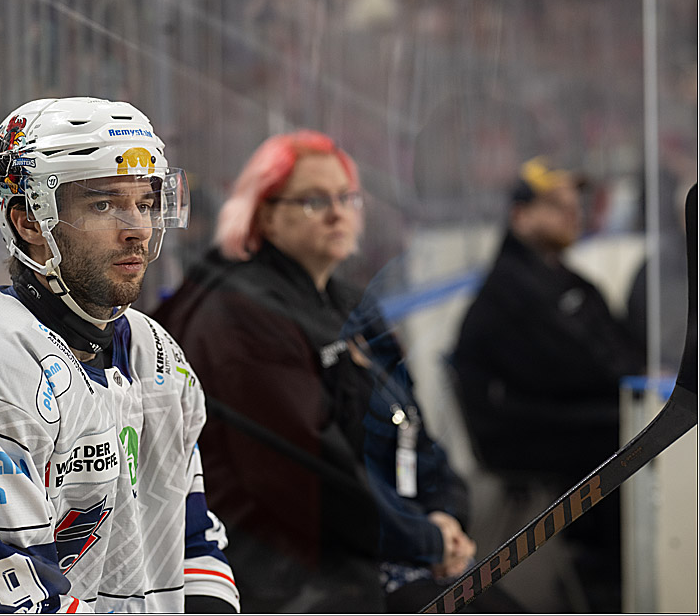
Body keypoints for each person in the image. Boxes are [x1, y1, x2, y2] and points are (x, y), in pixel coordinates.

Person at [0, 97, 239, 613]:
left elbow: (193, 542)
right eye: (103, 204)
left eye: (145, 202)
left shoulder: (154, 353)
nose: (137, 227)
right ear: (30, 221)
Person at [153, 131, 385, 612]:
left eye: (346, 197)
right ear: (266, 215)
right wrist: (417, 533)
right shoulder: (243, 313)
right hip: (292, 576)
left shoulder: (348, 299)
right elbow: (304, 480)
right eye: (313, 200)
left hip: (363, 545)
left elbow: (412, 421)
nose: (337, 213)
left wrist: (444, 508)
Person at [450, 156, 644, 612]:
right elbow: (570, 370)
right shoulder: (510, 289)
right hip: (517, 435)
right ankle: (602, 571)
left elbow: (617, 346)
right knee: (624, 430)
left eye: (574, 202)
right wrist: (631, 384)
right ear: (521, 216)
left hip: (549, 416)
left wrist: (638, 376)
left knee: (627, 419)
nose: (571, 211)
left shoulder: (561, 277)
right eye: (555, 204)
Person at [340, 285, 524, 613]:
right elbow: (344, 488)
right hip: (367, 566)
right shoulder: (297, 346)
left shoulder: (362, 315)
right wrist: (429, 541)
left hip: (423, 544)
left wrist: (445, 516)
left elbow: (425, 448)